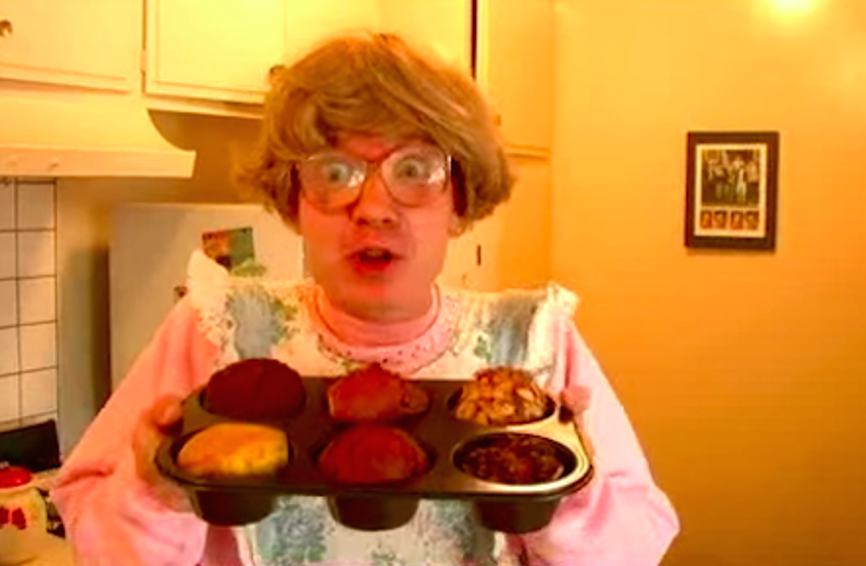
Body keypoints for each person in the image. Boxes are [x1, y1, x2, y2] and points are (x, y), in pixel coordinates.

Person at [51, 33, 679, 566]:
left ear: (460, 198)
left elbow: (638, 543)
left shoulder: (534, 345)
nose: (372, 209)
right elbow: (95, 537)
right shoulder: (219, 333)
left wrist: (565, 495)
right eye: (333, 172)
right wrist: (154, 491)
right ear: (292, 196)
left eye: (414, 171)